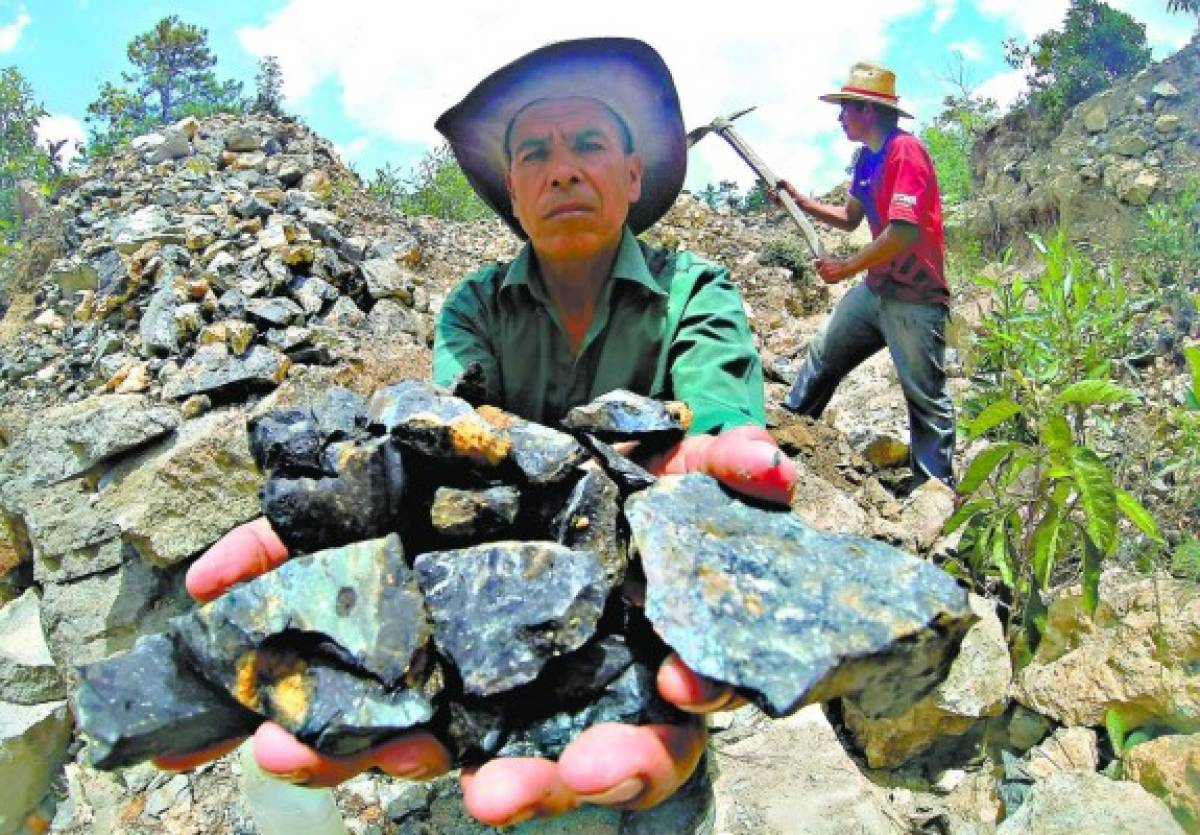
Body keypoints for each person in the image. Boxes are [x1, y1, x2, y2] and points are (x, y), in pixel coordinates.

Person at [163, 38, 796, 828]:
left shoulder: (696, 291)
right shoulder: (473, 307)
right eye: (535, 152)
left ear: (634, 176)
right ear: (515, 192)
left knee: (659, 799)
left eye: (590, 143)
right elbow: (447, 445)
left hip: (646, 634)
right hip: (500, 637)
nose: (563, 168)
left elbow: (722, 443)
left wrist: (693, 477)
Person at [777, 61, 955, 487]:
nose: (839, 118)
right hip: (877, 289)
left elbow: (904, 232)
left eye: (845, 109)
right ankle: (785, 440)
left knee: (925, 400)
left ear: (868, 111)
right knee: (824, 354)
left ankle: (933, 494)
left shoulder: (904, 152)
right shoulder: (866, 158)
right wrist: (799, 201)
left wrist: (843, 269)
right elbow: (849, 216)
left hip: (914, 296)